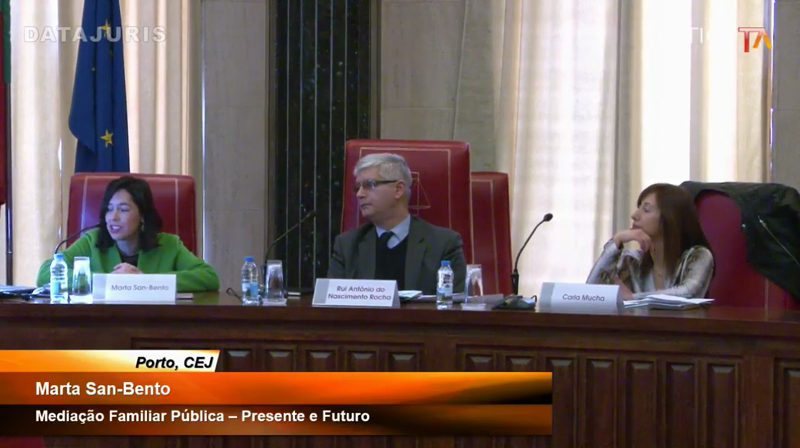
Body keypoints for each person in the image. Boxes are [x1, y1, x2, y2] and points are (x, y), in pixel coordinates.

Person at [37, 176, 220, 292]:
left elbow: (209, 277)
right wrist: (108, 281)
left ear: (142, 215)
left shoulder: (169, 244)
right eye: (109, 209)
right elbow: (45, 274)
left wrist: (144, 281)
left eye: (123, 209)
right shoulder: (91, 241)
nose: (113, 217)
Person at [327, 153, 467, 294]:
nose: (359, 194)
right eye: (357, 187)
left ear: (398, 189)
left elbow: (454, 303)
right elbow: (332, 301)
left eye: (370, 185)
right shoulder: (347, 245)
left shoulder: (444, 244)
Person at [587, 183, 714, 299]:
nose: (634, 215)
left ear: (669, 218)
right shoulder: (632, 261)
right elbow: (591, 293)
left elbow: (689, 292)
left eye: (646, 210)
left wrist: (633, 298)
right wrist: (616, 241)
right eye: (639, 208)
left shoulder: (698, 256)